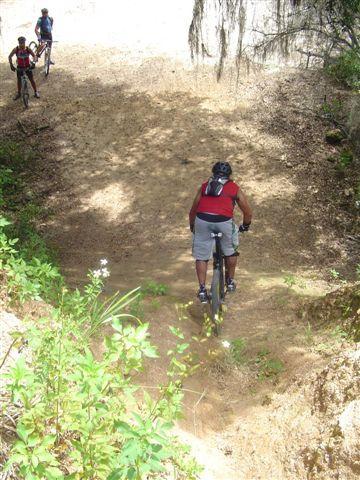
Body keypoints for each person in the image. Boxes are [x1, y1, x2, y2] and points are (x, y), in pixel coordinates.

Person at [189, 161, 252, 303]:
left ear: (213, 173)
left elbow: (193, 209)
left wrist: (193, 225)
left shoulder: (205, 186)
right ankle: (230, 281)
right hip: (223, 222)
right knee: (230, 251)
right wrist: (245, 225)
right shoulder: (234, 188)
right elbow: (247, 211)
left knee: (202, 256)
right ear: (229, 175)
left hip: (202, 220)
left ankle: (202, 290)